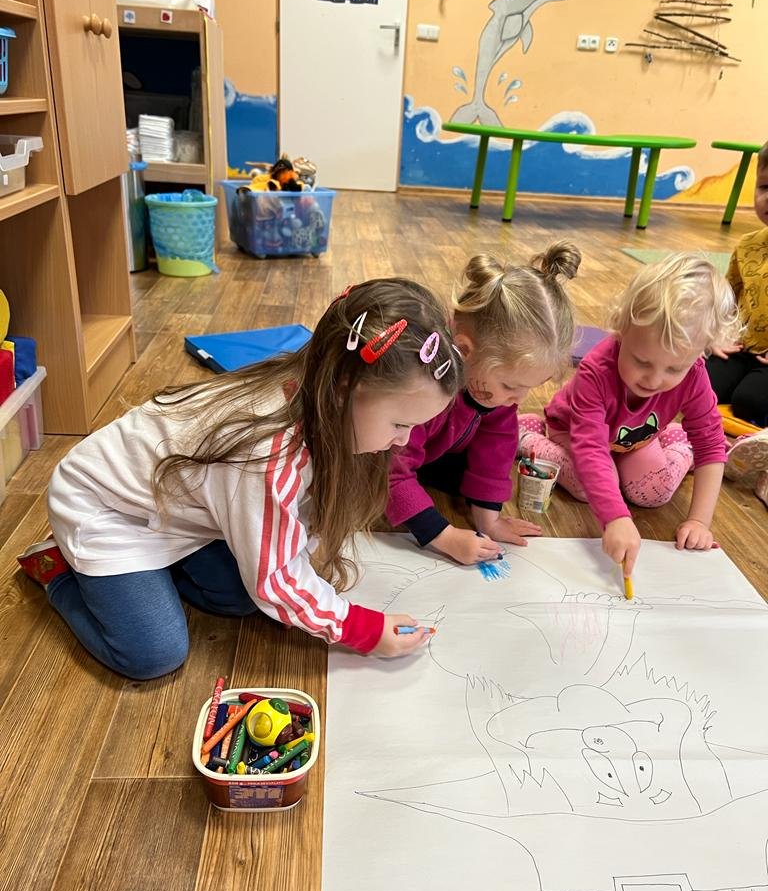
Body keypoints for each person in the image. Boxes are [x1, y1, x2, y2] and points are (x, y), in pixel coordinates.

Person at [16, 279, 461, 678]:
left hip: (174, 509)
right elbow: (277, 579)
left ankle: (146, 578)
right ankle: (58, 569)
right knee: (154, 654)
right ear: (344, 390)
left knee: (240, 598)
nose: (404, 441)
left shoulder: (316, 392)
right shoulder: (266, 453)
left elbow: (282, 544)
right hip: (106, 509)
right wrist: (362, 628)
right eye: (400, 424)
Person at [518, 254, 740, 576]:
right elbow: (591, 448)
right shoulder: (596, 371)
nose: (654, 380)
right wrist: (616, 518)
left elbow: (711, 443)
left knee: (653, 493)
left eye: (674, 369)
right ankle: (527, 435)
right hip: (573, 430)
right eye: (642, 361)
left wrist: (699, 521)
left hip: (633, 438)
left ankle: (677, 443)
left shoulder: (694, 374)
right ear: (621, 330)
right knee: (586, 488)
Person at [387, 243, 579, 565]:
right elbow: (389, 471)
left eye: (530, 388)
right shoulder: (420, 387)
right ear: (464, 350)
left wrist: (489, 521)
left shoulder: (490, 388)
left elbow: (496, 448)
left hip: (438, 451)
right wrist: (444, 536)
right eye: (510, 386)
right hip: (386, 456)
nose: (520, 399)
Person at [705, 139, 768, 429]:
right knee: (700, 384)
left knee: (749, 402)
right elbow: (727, 299)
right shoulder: (747, 245)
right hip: (742, 347)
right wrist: (717, 336)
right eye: (764, 187)